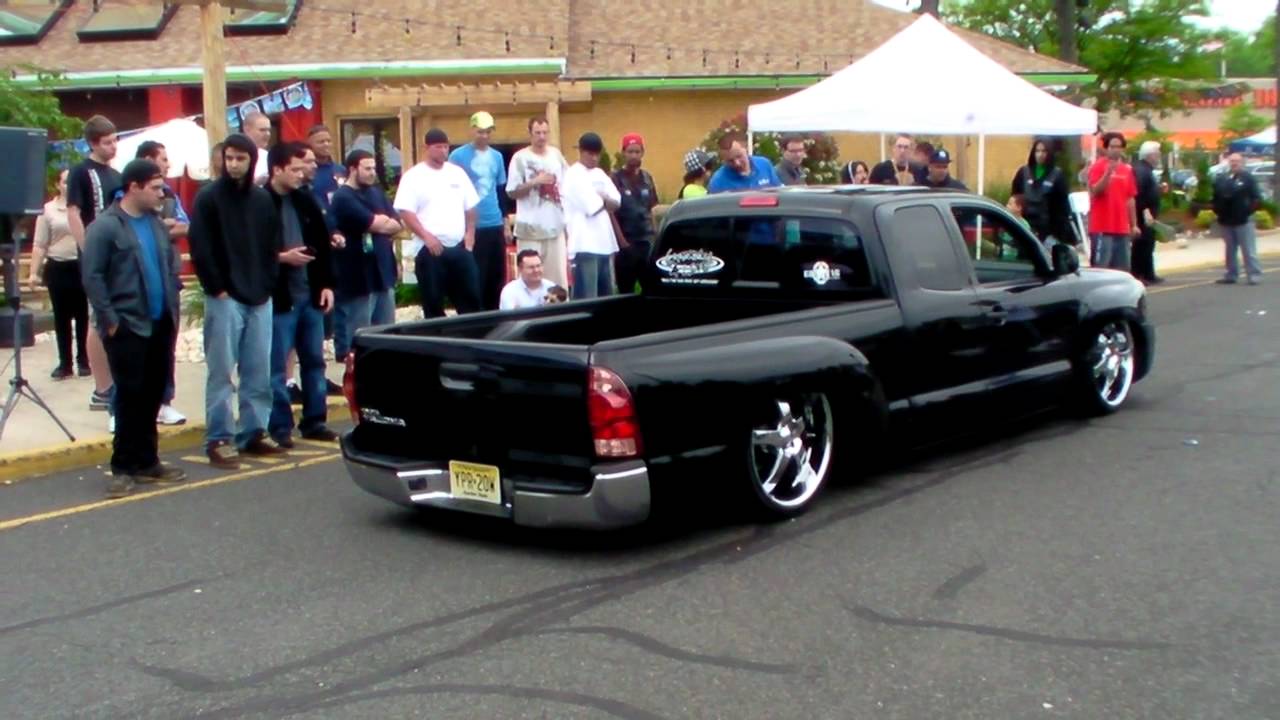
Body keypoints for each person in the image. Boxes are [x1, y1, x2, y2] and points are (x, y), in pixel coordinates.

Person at [80, 159, 186, 498]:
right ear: (134, 187)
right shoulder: (105, 227)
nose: (161, 193)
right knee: (129, 395)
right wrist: (110, 321)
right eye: (155, 188)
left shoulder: (155, 224)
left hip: (160, 322)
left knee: (153, 392)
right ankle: (123, 466)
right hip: (127, 325)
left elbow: (169, 265)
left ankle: (147, 460)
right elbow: (93, 276)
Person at [189, 133, 286, 469]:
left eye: (240, 158)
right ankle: (219, 437)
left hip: (259, 296)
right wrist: (217, 288)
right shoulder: (208, 198)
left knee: (258, 369)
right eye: (228, 158)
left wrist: (268, 284)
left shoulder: (262, 200)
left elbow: (272, 245)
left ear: (251, 161)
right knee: (221, 372)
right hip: (225, 297)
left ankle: (254, 431)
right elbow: (200, 247)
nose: (233, 164)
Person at [264, 142, 340, 447]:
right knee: (277, 366)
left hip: (310, 293)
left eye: (302, 168)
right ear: (277, 169)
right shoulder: (261, 202)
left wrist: (327, 284)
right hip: (280, 296)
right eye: (294, 169)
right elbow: (252, 250)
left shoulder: (306, 200)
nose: (301, 174)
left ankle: (315, 420)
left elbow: (322, 245)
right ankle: (280, 426)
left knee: (314, 361)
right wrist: (282, 257)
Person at [65, 115, 120, 419]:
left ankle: (114, 379)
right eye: (107, 142)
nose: (113, 147)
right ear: (93, 143)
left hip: (117, 255)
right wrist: (87, 249)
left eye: (115, 140)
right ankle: (102, 387)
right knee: (97, 316)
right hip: (95, 254)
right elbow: (74, 211)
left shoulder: (115, 174)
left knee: (113, 314)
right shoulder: (81, 172)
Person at [395, 128, 481, 318]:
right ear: (426, 148)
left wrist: (470, 234)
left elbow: (471, 206)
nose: (443, 151)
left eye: (446, 147)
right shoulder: (413, 176)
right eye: (438, 147)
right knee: (433, 302)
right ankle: (437, 335)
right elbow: (406, 212)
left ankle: (472, 334)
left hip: (459, 247)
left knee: (471, 299)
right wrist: (426, 237)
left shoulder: (457, 173)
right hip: (430, 249)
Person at [134, 140, 191, 426]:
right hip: (137, 285)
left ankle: (164, 401)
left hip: (168, 280)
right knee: (135, 349)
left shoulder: (169, 195)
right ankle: (126, 406)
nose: (168, 165)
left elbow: (184, 225)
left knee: (166, 343)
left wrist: (166, 226)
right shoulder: (125, 196)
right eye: (164, 159)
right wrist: (162, 226)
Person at [332, 149, 400, 357]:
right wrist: (380, 222)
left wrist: (382, 223)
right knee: (360, 333)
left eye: (374, 168)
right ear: (353, 169)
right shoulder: (343, 197)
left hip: (383, 273)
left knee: (387, 333)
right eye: (367, 168)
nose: (372, 173)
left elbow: (397, 223)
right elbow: (372, 223)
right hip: (359, 276)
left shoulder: (376, 192)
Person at [29, 170, 88, 381]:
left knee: (83, 315)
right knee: (61, 317)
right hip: (58, 267)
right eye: (65, 182)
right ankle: (65, 363)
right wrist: (33, 273)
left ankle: (84, 360)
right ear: (58, 185)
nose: (68, 186)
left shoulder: (83, 207)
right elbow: (39, 244)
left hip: (81, 265)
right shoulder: (48, 210)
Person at [449, 111, 511, 310]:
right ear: (472, 130)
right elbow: (452, 190)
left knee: (496, 275)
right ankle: (474, 315)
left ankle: (493, 315)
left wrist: (505, 222)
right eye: (480, 131)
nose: (484, 136)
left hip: (494, 222)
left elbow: (500, 190)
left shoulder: (497, 156)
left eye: (488, 132)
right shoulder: (457, 156)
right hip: (471, 225)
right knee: (475, 276)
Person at [506, 117, 568, 287]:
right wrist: (535, 182)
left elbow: (568, 185)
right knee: (530, 279)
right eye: (537, 133)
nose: (542, 137)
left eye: (545, 133)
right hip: (529, 231)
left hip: (555, 228)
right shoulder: (520, 158)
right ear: (530, 133)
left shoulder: (556, 155)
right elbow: (512, 192)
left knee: (557, 281)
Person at [563, 132, 621, 299]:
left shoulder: (600, 174)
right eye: (590, 154)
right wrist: (605, 199)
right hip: (584, 244)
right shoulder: (573, 174)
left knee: (607, 296)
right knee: (588, 296)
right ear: (581, 152)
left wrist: (604, 199)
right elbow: (592, 206)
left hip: (605, 243)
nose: (594, 158)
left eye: (597, 154)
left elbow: (617, 202)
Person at [611, 133, 659, 295]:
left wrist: (655, 236)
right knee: (626, 292)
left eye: (637, 151)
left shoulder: (647, 178)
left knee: (651, 289)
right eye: (630, 151)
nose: (633, 155)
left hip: (646, 242)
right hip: (626, 243)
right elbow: (611, 213)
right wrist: (622, 242)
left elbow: (652, 208)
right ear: (623, 153)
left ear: (642, 153)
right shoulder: (616, 179)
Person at [1087, 132, 1139, 271]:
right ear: (1106, 148)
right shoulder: (1097, 167)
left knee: (1122, 269)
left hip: (1121, 228)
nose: (1115, 150)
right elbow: (1095, 191)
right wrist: (1107, 174)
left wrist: (1133, 224)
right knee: (1101, 269)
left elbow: (1130, 198)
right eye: (1112, 147)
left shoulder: (1127, 170)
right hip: (1102, 228)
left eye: (1118, 147)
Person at [1212, 152, 1264, 285]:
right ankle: (1231, 274)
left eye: (1237, 161)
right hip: (1226, 220)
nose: (1234, 163)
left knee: (1248, 250)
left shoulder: (1248, 178)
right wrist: (1217, 211)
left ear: (1242, 163)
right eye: (1232, 161)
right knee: (1230, 250)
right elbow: (1216, 197)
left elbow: (1256, 198)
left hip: (1244, 220)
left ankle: (1254, 275)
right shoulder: (1222, 178)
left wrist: (1248, 211)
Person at [1011, 139, 1073, 246]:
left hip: (1048, 232)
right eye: (1037, 151)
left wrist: (1057, 234)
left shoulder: (1057, 175)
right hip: (1025, 227)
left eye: (1044, 151)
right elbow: (1015, 198)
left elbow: (1063, 207)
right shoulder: (1023, 172)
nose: (1040, 155)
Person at [1132, 141, 1165, 284]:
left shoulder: (1147, 170)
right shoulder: (1142, 170)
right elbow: (1138, 193)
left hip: (1149, 214)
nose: (1159, 157)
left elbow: (1148, 190)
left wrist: (1158, 189)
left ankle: (1148, 273)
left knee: (1149, 244)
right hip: (1143, 215)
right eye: (1157, 154)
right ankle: (1139, 274)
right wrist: (1145, 210)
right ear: (1149, 155)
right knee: (1142, 245)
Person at [707, 133, 781, 193]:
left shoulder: (764, 164)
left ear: (746, 149)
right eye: (730, 161)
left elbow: (778, 192)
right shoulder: (718, 181)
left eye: (739, 156)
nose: (737, 163)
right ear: (724, 160)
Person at [242, 110, 273, 185]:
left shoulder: (268, 156)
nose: (267, 134)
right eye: (262, 130)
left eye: (269, 130)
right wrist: (255, 184)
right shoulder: (234, 156)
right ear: (247, 130)